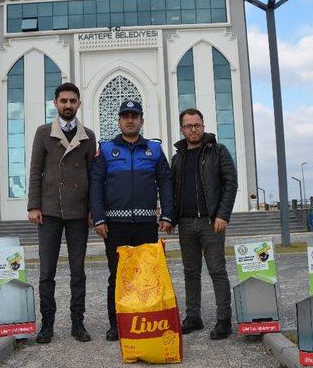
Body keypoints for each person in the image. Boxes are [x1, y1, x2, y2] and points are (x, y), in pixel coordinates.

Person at [90, 100, 174, 341]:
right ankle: (117, 324)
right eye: (125, 116)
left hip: (147, 225)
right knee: (117, 276)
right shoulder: (105, 150)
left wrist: (167, 214)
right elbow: (96, 184)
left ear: (141, 120)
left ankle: (144, 320)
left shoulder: (154, 150)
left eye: (134, 116)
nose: (129, 120)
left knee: (146, 276)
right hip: (115, 227)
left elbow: (165, 182)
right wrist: (98, 218)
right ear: (119, 121)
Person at [27, 82, 96, 344]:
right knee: (47, 271)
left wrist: (93, 210)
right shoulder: (44, 132)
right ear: (55, 103)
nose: (68, 105)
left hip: (79, 212)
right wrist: (34, 205)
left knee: (78, 270)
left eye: (72, 101)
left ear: (79, 104)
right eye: (63, 101)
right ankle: (48, 324)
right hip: (50, 211)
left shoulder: (88, 135)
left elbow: (93, 175)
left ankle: (78, 323)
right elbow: (35, 170)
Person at [169, 108, 238, 339]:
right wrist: (170, 217)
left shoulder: (218, 151)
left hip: (211, 222)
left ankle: (223, 319)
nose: (193, 129)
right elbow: (173, 191)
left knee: (217, 271)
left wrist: (222, 215)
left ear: (203, 125)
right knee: (191, 272)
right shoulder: (177, 158)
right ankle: (193, 317)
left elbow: (231, 184)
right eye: (188, 126)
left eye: (197, 125)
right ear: (182, 129)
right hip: (186, 224)